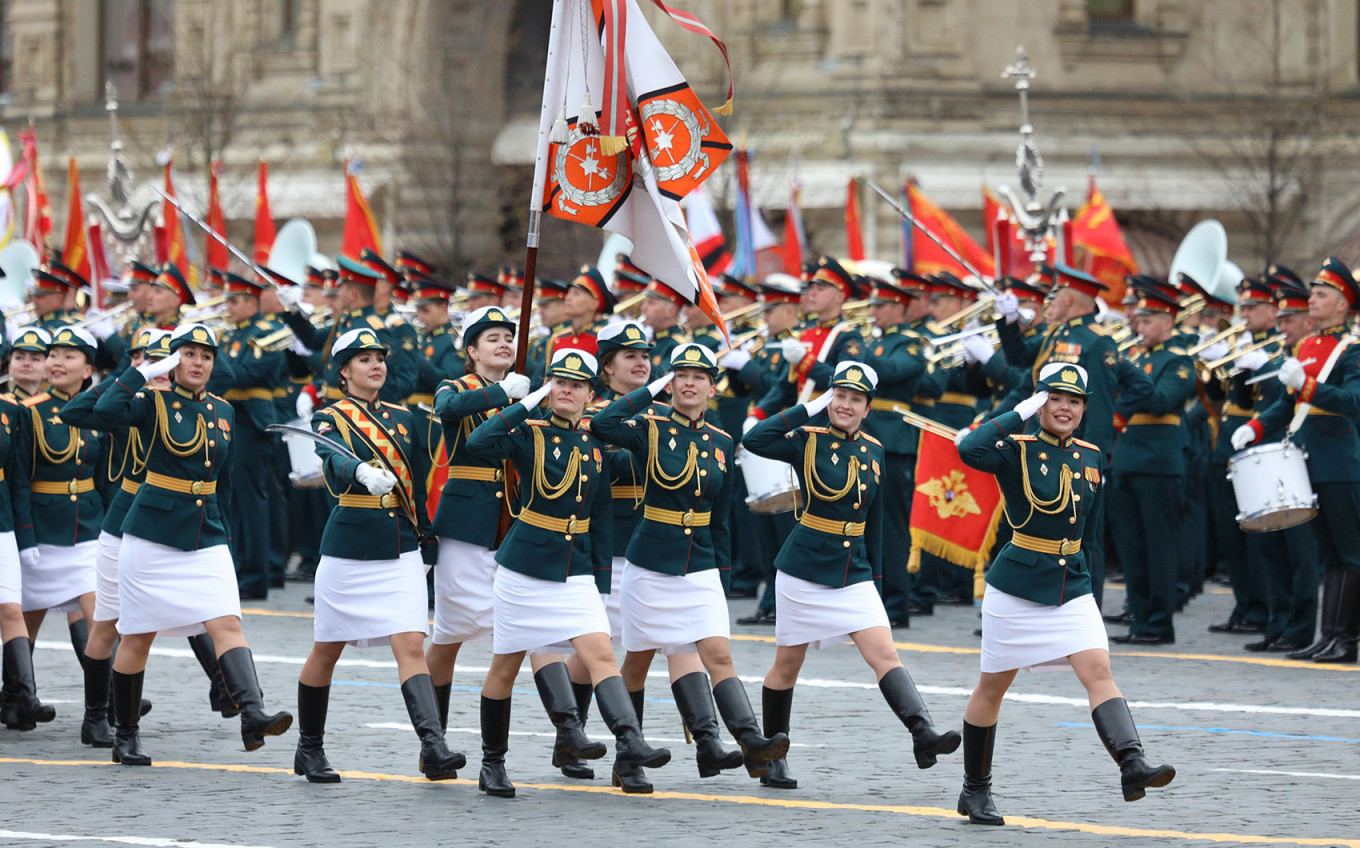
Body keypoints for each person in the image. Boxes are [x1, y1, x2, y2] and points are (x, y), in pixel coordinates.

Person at [955, 363, 1175, 825]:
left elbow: (1091, 536)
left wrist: (1090, 591)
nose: (1066, 408)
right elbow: (969, 449)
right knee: (992, 687)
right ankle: (975, 790)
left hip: (1070, 583)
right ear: (1041, 403)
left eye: (1075, 402)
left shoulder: (1091, 456)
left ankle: (1131, 764)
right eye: (1056, 399)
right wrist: (1018, 412)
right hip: (1016, 584)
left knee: (1098, 668)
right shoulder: (1014, 448)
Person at [744, 361, 960, 790]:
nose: (845, 405)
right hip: (804, 567)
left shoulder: (874, 450)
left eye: (854, 399)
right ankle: (773, 757)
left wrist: (876, 580)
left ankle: (923, 735)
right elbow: (756, 438)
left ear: (867, 407)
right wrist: (810, 407)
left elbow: (875, 523)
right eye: (839, 396)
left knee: (885, 654)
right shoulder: (806, 439)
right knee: (787, 665)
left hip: (853, 571)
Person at [465, 348, 669, 798]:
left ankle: (629, 739)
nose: (566, 391)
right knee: (505, 665)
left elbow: (599, 519)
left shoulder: (597, 446)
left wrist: (598, 582)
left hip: (574, 568)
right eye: (559, 382)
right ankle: (492, 762)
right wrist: (524, 404)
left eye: (576, 385)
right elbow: (478, 443)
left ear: (588, 395)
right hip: (524, 567)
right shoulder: (528, 433)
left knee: (599, 654)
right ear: (548, 388)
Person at [91, 322, 293, 765]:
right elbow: (105, 411)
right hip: (151, 534)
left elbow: (224, 481)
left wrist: (226, 535)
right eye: (188, 354)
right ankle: (126, 733)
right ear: (173, 360)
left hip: (206, 534)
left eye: (206, 355)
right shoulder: (151, 402)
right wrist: (143, 373)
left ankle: (252, 713)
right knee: (137, 636)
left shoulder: (223, 411)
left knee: (228, 624)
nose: (198, 362)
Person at [591, 343, 789, 785]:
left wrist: (722, 573)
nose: (689, 382)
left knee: (717, 653)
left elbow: (721, 519)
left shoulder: (720, 441)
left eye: (699, 376)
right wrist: (649, 391)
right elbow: (604, 423)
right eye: (681, 375)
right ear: (671, 382)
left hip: (699, 563)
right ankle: (628, 756)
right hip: (650, 561)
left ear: (711, 387)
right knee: (637, 661)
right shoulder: (649, 426)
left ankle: (750, 738)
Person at [291, 327, 465, 783]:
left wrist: (425, 533)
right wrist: (361, 471)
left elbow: (423, 477)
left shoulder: (405, 418)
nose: (376, 365)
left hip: (400, 543)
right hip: (349, 546)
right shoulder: (331, 417)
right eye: (363, 359)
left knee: (410, 643)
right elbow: (332, 458)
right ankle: (309, 749)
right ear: (344, 372)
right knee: (327, 650)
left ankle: (434, 746)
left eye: (379, 358)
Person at [58, 329, 233, 747]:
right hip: (127, 524)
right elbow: (78, 412)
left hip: (176, 523)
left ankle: (232, 690)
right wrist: (134, 375)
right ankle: (97, 716)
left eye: (165, 366)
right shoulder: (133, 404)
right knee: (109, 625)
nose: (163, 374)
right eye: (161, 364)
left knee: (205, 612)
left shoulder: (187, 408)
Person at [1233, 257, 1360, 664]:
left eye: (1322, 295)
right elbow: (1288, 406)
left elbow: (1353, 402)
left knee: (1349, 553)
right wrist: (1255, 427)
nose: (1314, 301)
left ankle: (1346, 637)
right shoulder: (1308, 345)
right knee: (1329, 555)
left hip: (1340, 460)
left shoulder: (1351, 349)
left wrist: (1306, 385)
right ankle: (1331, 635)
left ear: (1343, 304)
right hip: (1306, 460)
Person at [14, 326, 108, 738]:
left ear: (87, 369)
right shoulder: (28, 410)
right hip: (42, 530)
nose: (56, 362)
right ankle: (15, 699)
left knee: (103, 621)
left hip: (85, 529)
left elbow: (105, 476)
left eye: (69, 356)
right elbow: (17, 480)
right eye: (54, 354)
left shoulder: (101, 410)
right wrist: (25, 535)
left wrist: (108, 527)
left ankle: (99, 715)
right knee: (25, 624)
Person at [1108, 287, 1196, 646]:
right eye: (1137, 320)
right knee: (1131, 547)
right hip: (1126, 458)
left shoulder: (1178, 361)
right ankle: (1140, 619)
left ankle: (1160, 623)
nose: (1138, 326)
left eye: (1146, 320)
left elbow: (1161, 402)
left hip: (1158, 464)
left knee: (1159, 546)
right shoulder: (1136, 356)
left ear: (1166, 322)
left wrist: (1124, 370)